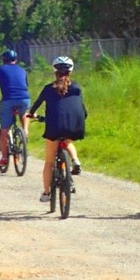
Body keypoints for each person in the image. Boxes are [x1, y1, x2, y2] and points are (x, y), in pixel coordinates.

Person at [26, 56, 87, 203]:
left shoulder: (48, 88)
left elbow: (35, 107)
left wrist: (32, 115)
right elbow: (81, 109)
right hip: (75, 126)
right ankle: (75, 160)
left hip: (54, 127)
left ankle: (47, 193)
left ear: (55, 71)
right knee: (67, 141)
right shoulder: (77, 88)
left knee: (49, 162)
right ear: (70, 71)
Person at [0, 49, 31, 169]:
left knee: (4, 130)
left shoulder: (0, 69)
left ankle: (4, 158)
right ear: (16, 60)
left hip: (8, 100)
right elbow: (26, 85)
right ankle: (25, 131)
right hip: (24, 98)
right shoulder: (22, 70)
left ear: (3, 60)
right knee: (24, 112)